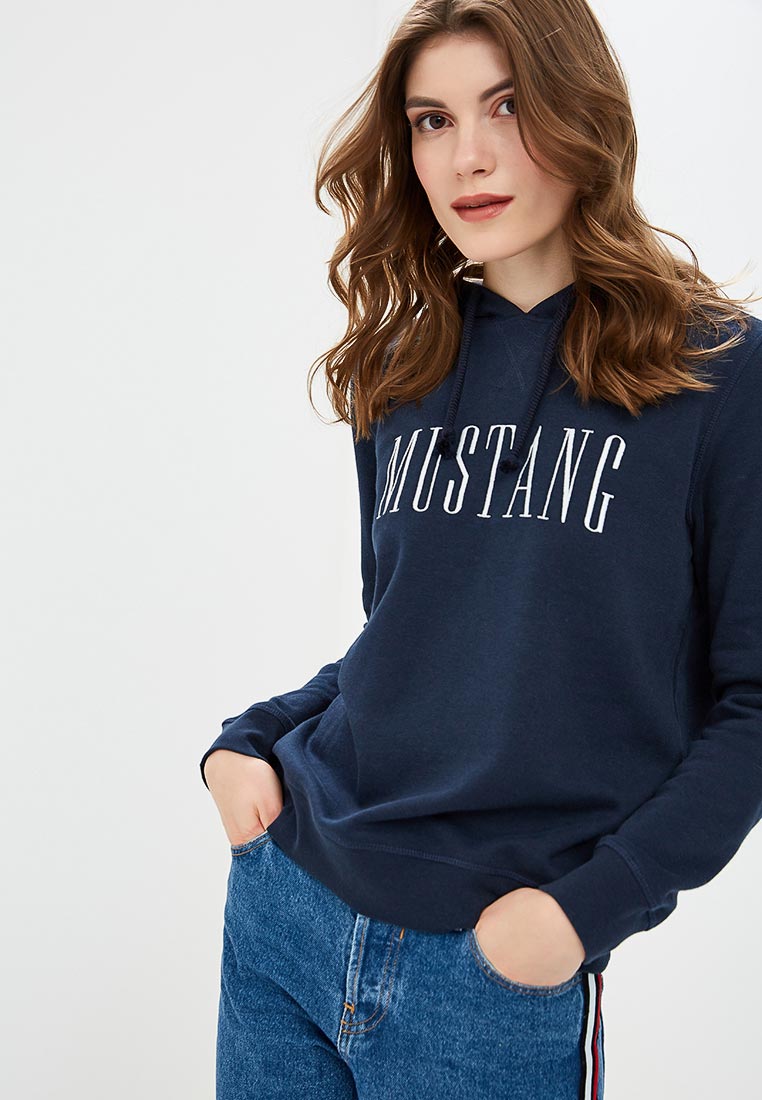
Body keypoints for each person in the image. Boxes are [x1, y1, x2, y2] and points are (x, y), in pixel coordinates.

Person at [200, 2, 762, 1097]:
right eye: (432, 120)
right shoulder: (401, 370)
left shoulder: (718, 374)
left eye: (507, 107)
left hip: (491, 971)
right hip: (288, 909)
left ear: (582, 111)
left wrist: (584, 912)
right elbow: (407, 637)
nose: (468, 156)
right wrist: (249, 741)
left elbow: (752, 705)